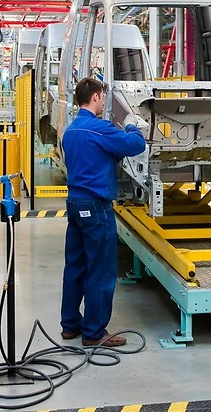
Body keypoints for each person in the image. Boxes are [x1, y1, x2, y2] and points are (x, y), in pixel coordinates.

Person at [60, 77, 146, 348]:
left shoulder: (71, 130)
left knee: (75, 266)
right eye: (102, 97)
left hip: (74, 204)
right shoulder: (100, 129)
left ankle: (70, 325)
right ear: (96, 97)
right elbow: (135, 145)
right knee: (100, 270)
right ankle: (95, 331)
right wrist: (133, 124)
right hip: (96, 208)